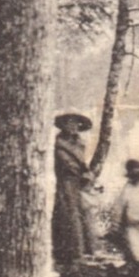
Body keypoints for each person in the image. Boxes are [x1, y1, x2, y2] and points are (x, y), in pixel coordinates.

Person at [51, 113, 97, 266]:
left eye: (76, 124)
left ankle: (85, 250)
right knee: (68, 216)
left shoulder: (79, 144)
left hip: (77, 183)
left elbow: (82, 163)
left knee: (83, 214)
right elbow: (65, 164)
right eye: (69, 123)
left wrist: (87, 173)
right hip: (64, 183)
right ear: (63, 126)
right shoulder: (58, 144)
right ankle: (70, 253)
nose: (73, 127)